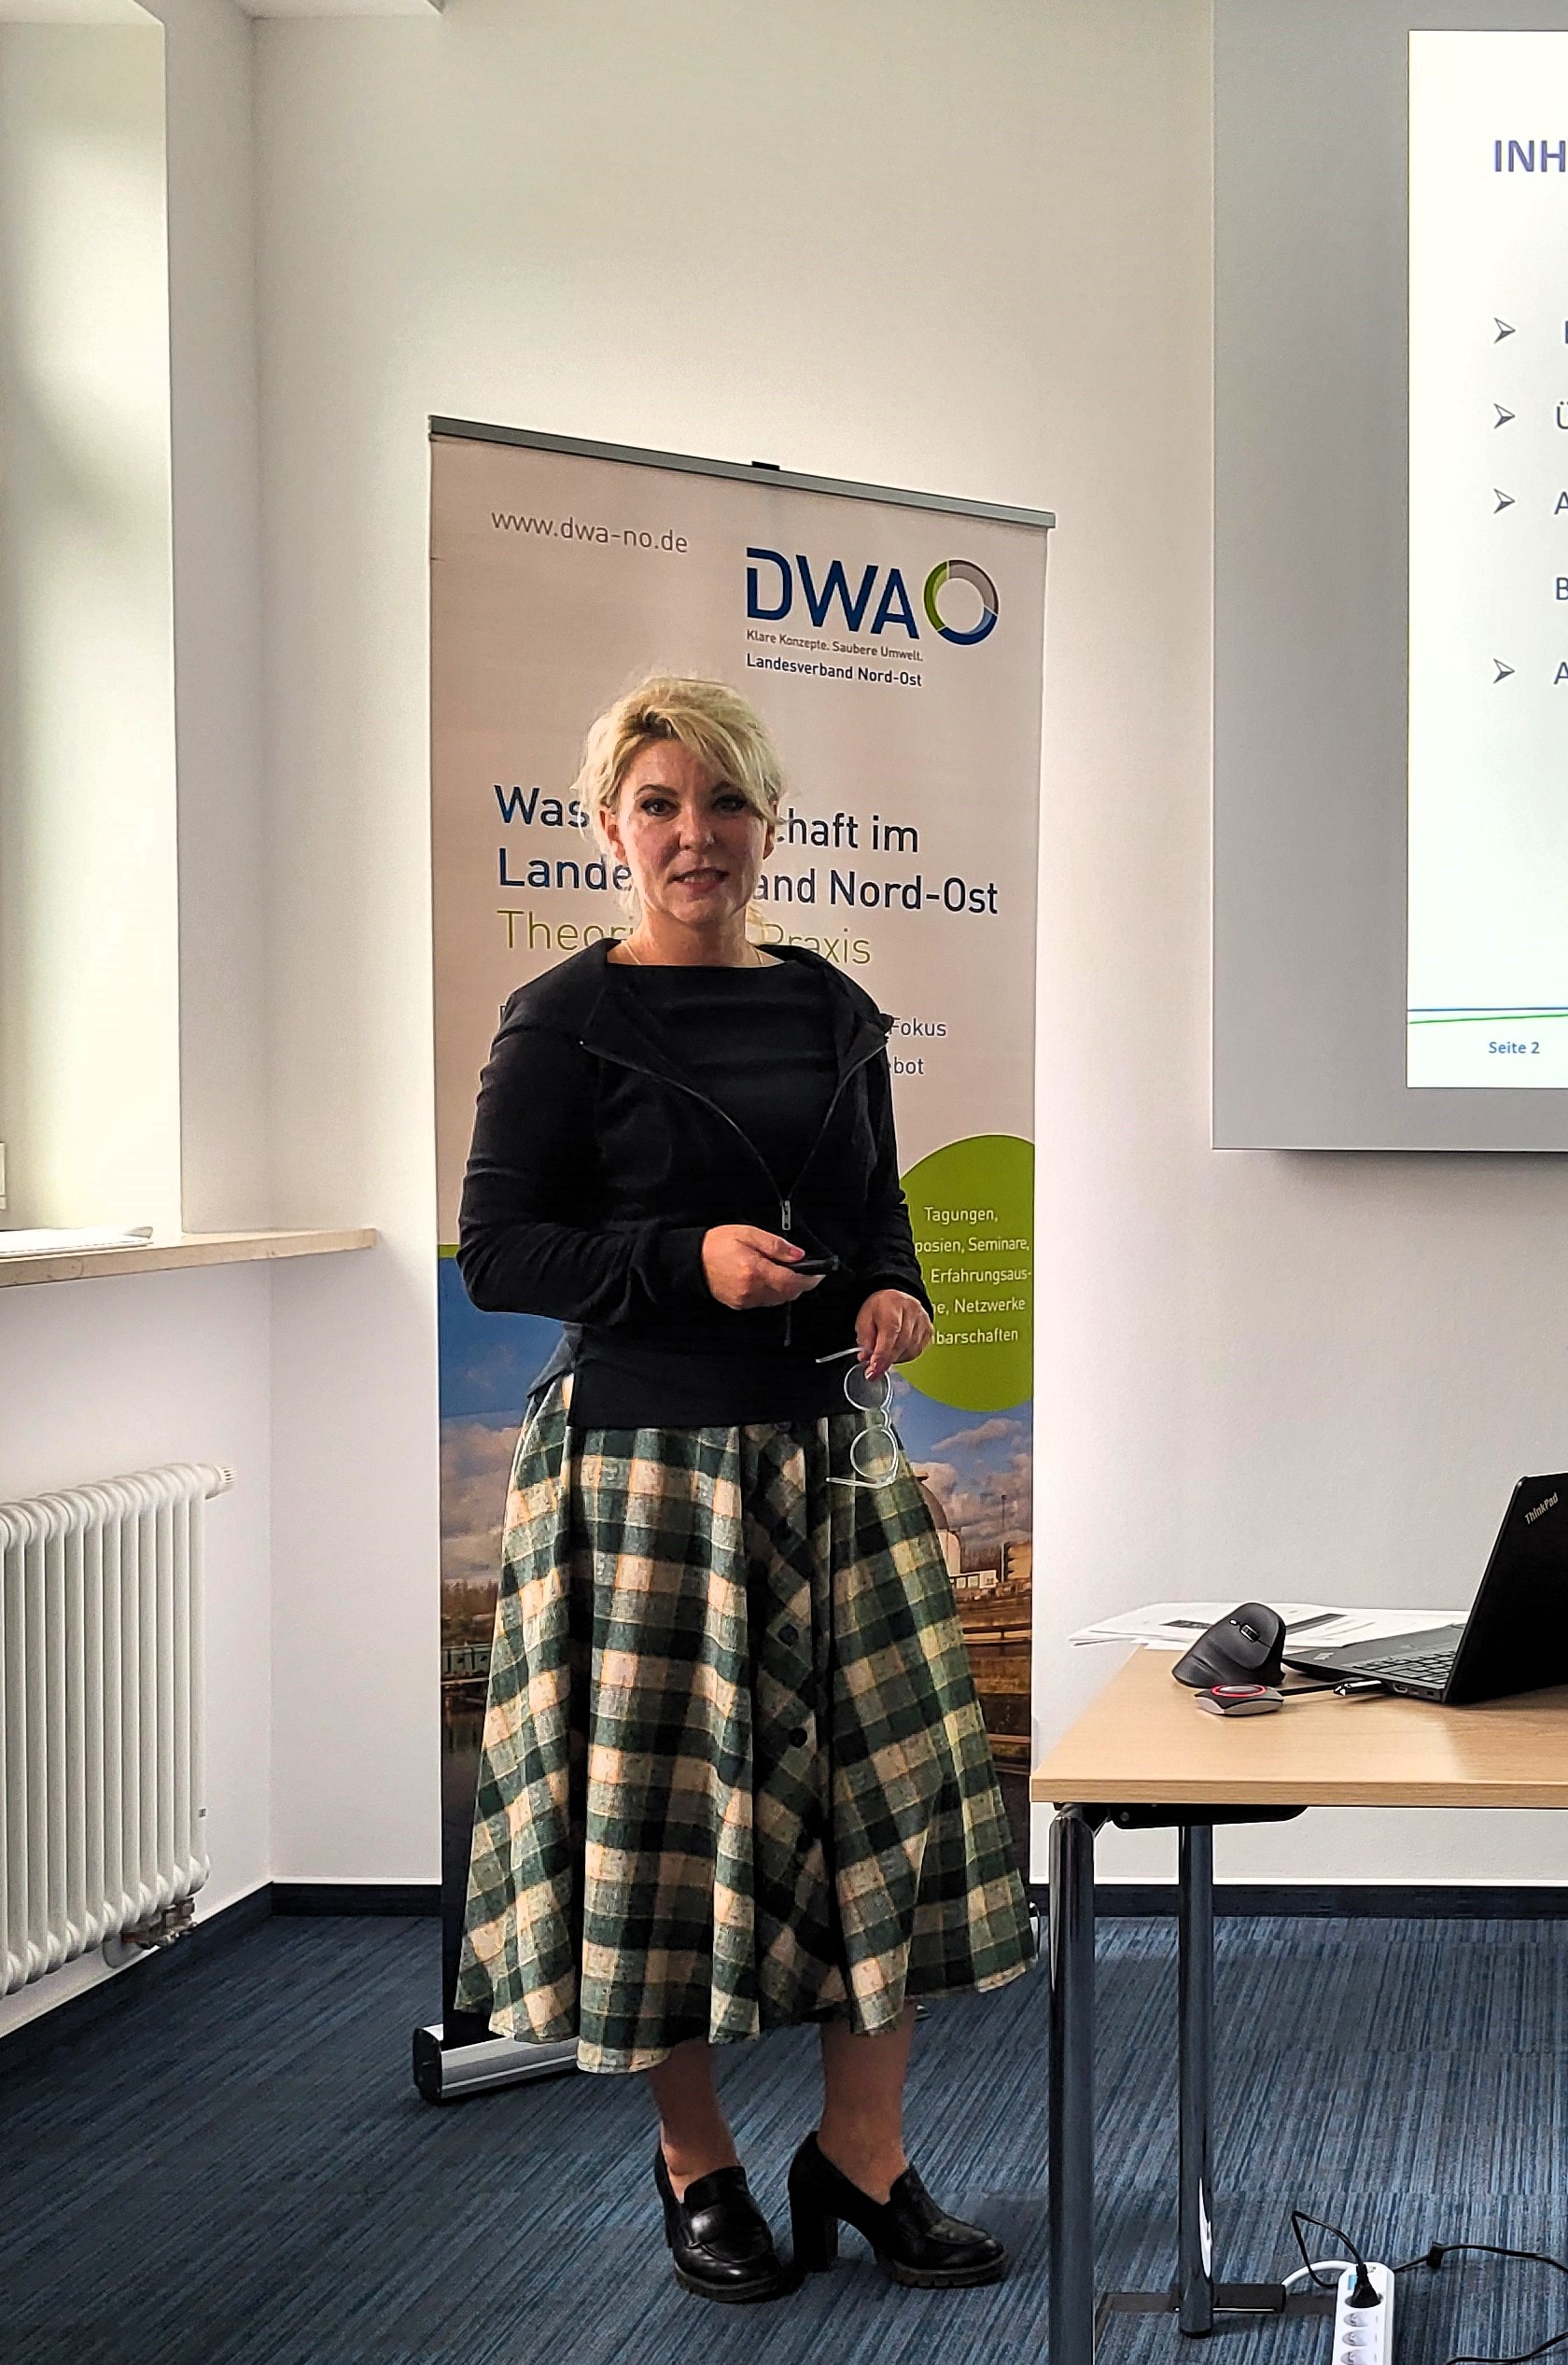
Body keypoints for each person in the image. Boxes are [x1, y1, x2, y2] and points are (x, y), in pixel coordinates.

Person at [452, 673, 1031, 2304]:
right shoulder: (563, 1019)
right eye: (659, 803)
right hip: (646, 1467)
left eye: (723, 802)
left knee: (881, 1810)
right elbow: (499, 1251)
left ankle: (864, 2154)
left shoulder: (835, 1006)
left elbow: (878, 1213)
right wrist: (683, 1260)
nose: (693, 834)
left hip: (832, 1460)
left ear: (770, 822)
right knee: (660, 1830)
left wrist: (893, 1288)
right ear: (608, 825)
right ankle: (695, 2158)